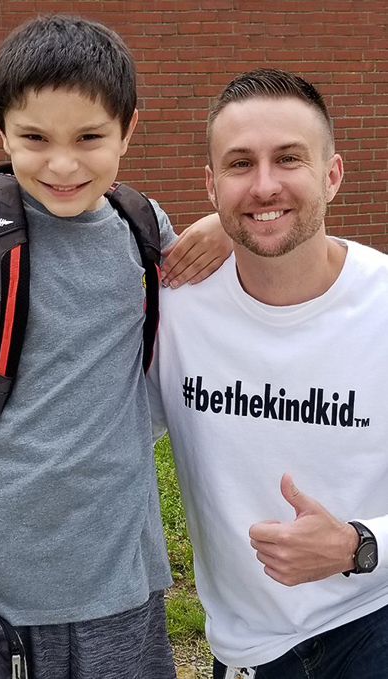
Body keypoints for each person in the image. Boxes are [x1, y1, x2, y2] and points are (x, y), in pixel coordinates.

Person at [0, 15, 231, 679]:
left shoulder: (143, 225)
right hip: (0, 588)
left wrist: (226, 225)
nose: (64, 163)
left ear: (130, 127)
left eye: (90, 137)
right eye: (35, 138)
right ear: (2, 131)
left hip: (123, 581)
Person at [148, 68, 388, 679]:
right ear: (210, 184)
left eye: (288, 159)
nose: (264, 184)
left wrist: (359, 544)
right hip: (247, 645)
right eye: (239, 165)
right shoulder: (172, 308)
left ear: (332, 175)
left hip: (372, 616)